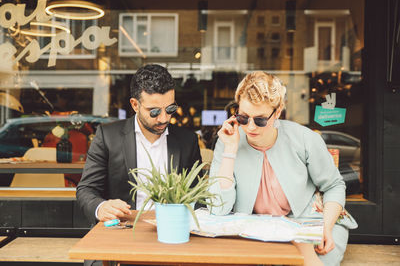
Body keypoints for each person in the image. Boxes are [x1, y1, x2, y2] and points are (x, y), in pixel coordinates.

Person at [208, 71, 357, 266]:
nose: (251, 127)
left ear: (278, 112)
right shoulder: (228, 140)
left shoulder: (304, 139)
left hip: (312, 223)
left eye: (260, 119)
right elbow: (218, 210)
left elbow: (334, 186)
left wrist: (326, 228)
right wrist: (230, 150)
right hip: (258, 231)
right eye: (244, 118)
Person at [77, 64, 202, 226]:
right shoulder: (108, 136)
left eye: (170, 109)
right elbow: (86, 189)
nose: (164, 118)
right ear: (135, 105)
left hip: (172, 228)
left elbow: (198, 196)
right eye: (154, 111)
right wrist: (100, 207)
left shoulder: (188, 141)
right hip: (123, 228)